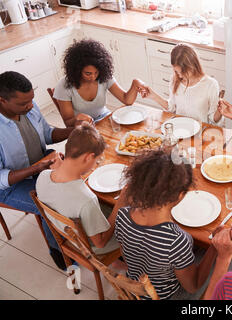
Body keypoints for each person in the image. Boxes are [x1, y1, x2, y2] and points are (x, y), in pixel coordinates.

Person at [114, 150, 232, 299]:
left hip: (137, 285)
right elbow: (193, 286)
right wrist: (213, 246)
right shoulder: (176, 241)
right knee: (212, 255)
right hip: (168, 295)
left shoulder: (122, 215)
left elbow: (127, 255)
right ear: (180, 195)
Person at [0, 71, 74, 268]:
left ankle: (87, 237)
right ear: (2, 101)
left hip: (42, 164)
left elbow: (48, 134)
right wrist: (37, 168)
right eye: (23, 103)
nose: (31, 106)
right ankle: (59, 250)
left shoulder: (29, 110)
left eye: (31, 99)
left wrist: (73, 130)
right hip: (10, 188)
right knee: (53, 204)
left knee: (81, 184)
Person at [36, 123, 124, 255]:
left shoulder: (42, 176)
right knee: (133, 216)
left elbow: (67, 195)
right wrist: (120, 203)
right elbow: (100, 243)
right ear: (88, 157)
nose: (96, 163)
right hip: (92, 246)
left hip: (69, 234)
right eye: (97, 160)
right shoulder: (87, 200)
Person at [53, 39, 150, 127]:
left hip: (104, 118)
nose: (93, 77)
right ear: (77, 70)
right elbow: (68, 122)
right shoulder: (64, 85)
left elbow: (126, 100)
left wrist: (134, 84)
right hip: (82, 126)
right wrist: (78, 118)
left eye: (96, 72)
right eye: (88, 73)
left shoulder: (103, 76)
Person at [145, 43, 223, 126]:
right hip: (179, 128)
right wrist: (153, 96)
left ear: (193, 66)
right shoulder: (175, 79)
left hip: (200, 132)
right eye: (176, 72)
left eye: (183, 72)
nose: (180, 76)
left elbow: (213, 120)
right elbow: (171, 108)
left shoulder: (210, 84)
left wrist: (220, 111)